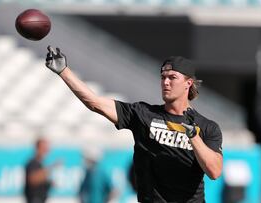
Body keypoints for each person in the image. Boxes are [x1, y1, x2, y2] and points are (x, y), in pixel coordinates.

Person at [44, 46, 223, 202]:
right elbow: (95, 103)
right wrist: (64, 71)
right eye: (163, 77)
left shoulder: (207, 127)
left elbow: (214, 171)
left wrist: (193, 136)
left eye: (172, 77)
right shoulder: (144, 114)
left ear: (188, 83)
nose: (165, 82)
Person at [24, 138, 56, 203]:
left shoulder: (41, 163)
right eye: (44, 148)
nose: (46, 150)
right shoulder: (32, 163)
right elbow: (32, 179)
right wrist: (50, 168)